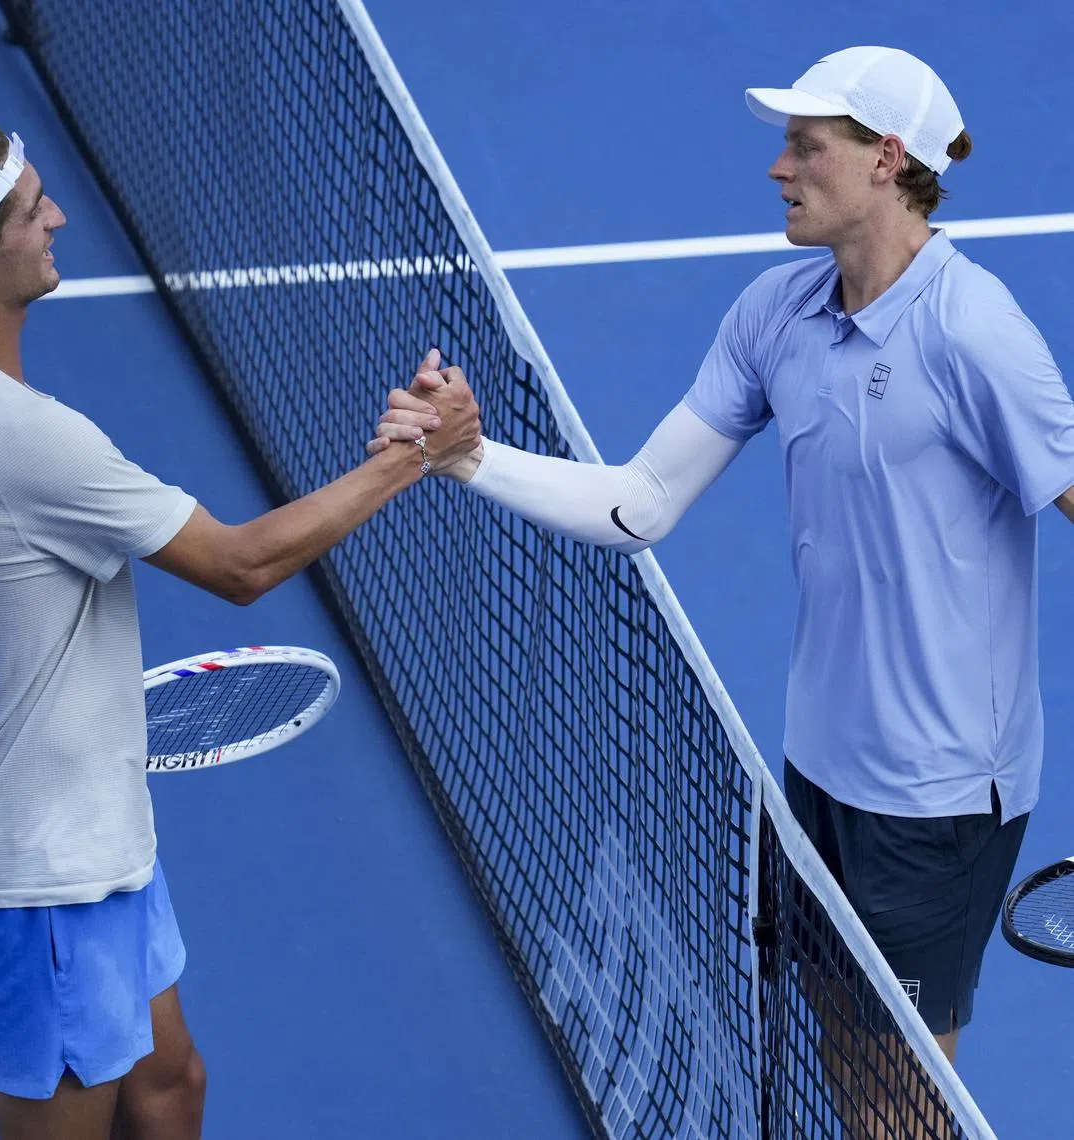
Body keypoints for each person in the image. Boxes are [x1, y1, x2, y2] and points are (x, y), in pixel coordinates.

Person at [370, 45, 1074, 1134]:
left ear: (887, 160)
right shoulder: (774, 314)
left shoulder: (974, 335)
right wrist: (467, 459)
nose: (778, 167)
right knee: (845, 1051)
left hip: (938, 797)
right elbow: (640, 503)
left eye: (807, 145)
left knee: (908, 1104)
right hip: (820, 767)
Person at [0, 120, 479, 1140]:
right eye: (29, 211)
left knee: (169, 1086)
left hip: (93, 835)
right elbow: (242, 564)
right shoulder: (25, 441)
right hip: (42, 878)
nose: (56, 216)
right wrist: (417, 452)